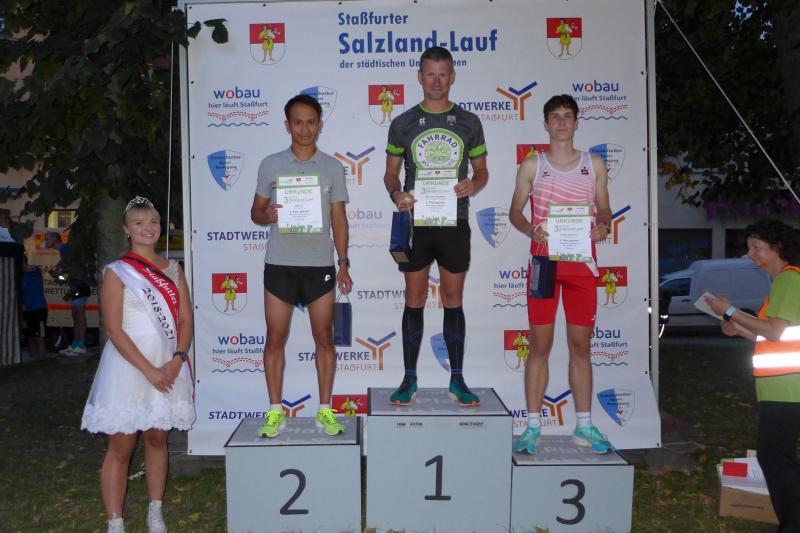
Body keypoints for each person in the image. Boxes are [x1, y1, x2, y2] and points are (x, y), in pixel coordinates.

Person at [81, 196, 195, 533]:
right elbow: (114, 330)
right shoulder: (117, 272)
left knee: (157, 438)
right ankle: (115, 521)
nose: (148, 228)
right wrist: (148, 371)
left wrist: (177, 359)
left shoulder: (174, 269)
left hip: (168, 362)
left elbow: (185, 320)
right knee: (122, 444)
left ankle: (155, 511)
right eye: (140, 223)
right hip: (129, 365)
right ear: (127, 229)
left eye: (154, 222)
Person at [383, 46, 489, 406]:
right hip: (416, 224)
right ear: (419, 76)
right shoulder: (403, 123)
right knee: (414, 299)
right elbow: (390, 174)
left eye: (443, 74)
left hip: (453, 221)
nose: (436, 81)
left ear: (452, 76)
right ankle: (408, 379)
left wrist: (474, 184)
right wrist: (397, 193)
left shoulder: (470, 122)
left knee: (453, 300)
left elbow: (483, 171)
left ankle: (457, 379)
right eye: (430, 73)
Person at [509, 94, 613, 454]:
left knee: (580, 346)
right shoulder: (532, 165)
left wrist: (603, 225)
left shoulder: (593, 163)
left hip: (581, 265)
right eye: (555, 116)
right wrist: (530, 230)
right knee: (539, 346)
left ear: (577, 122)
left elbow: (604, 209)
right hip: (544, 264)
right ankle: (532, 426)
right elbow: (515, 212)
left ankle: (584, 425)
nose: (562, 122)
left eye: (568, 116)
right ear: (546, 124)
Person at [250, 94, 352, 438]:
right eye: (298, 122)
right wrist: (267, 215)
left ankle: (325, 410)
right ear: (287, 125)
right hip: (280, 263)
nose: (305, 129)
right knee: (275, 339)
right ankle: (275, 411)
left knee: (324, 339)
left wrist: (343, 263)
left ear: (320, 125)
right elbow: (255, 212)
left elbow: (339, 219)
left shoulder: (333, 167)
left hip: (319, 265)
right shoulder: (270, 164)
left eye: (311, 122)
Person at [705, 219, 800, 532]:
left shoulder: (789, 279)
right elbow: (777, 336)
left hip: (788, 388)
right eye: (749, 248)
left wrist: (730, 311)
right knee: (779, 456)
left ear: (778, 247)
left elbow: (774, 331)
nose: (751, 254)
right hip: (783, 387)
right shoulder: (784, 281)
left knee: (775, 457)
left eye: (757, 247)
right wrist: (741, 331)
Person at [21, 254, 48, 359]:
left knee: (39, 336)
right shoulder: (20, 275)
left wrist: (28, 267)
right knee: (30, 336)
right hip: (27, 309)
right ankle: (34, 359)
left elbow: (35, 270)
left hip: (38, 308)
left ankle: (42, 359)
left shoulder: (33, 271)